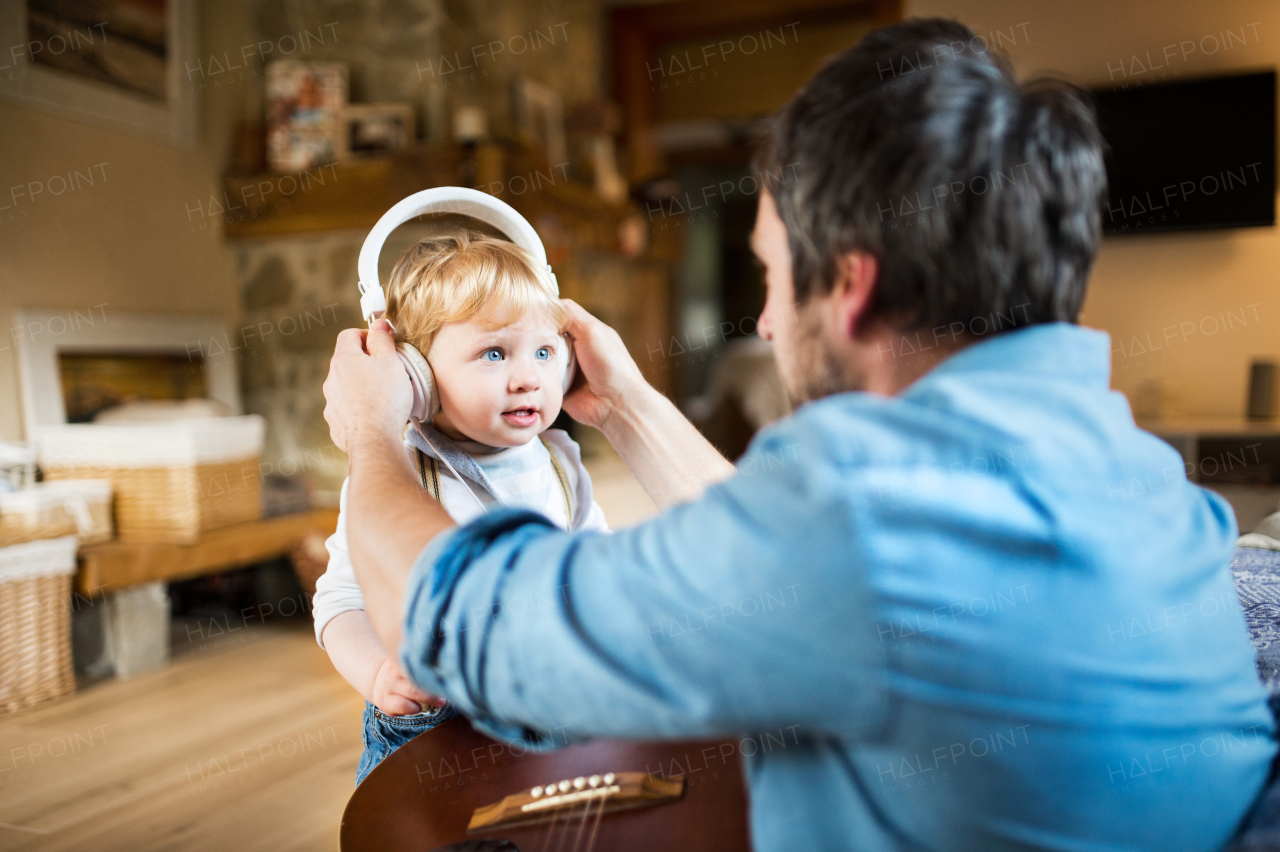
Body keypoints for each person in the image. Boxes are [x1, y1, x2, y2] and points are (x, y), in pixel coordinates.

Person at [322, 18, 1276, 852]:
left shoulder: (861, 505)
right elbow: (776, 569)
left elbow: (467, 625)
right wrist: (626, 405)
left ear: (850, 287)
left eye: (773, 276)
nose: (769, 323)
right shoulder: (1142, 471)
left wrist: (374, 435)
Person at [311, 230, 608, 785]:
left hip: (553, 705)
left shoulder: (562, 463)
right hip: (437, 726)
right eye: (494, 353)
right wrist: (378, 673)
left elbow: (596, 570)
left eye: (545, 351)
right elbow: (341, 600)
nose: (528, 377)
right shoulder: (394, 476)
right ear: (414, 375)